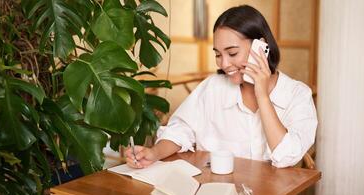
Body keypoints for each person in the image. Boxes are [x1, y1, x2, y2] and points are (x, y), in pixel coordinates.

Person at [125, 5, 317, 168]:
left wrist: (263, 96)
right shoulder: (213, 87)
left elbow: (287, 156)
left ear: (261, 47)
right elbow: (180, 129)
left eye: (232, 53)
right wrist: (154, 153)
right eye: (218, 54)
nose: (224, 64)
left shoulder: (297, 95)